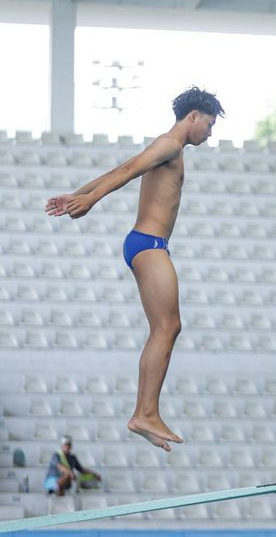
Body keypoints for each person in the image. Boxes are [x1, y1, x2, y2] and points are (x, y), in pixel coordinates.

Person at [45, 87, 224, 451]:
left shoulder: (167, 146)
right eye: (209, 124)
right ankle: (145, 413)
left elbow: (121, 168)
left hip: (147, 245)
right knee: (168, 326)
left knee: (166, 327)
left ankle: (145, 412)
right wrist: (90, 200)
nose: (210, 133)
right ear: (193, 116)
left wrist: (79, 192)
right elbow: (127, 172)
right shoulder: (170, 145)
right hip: (148, 244)